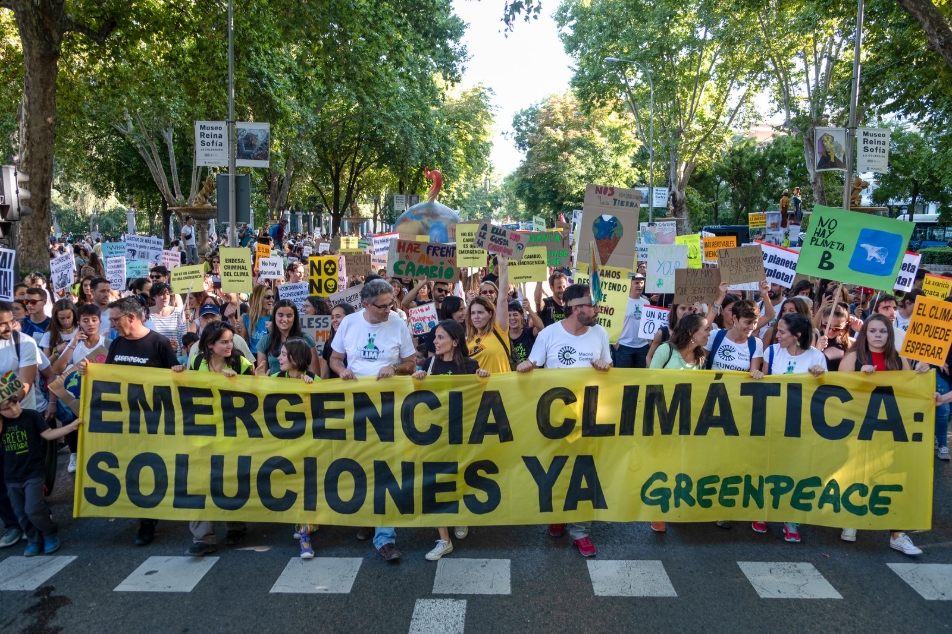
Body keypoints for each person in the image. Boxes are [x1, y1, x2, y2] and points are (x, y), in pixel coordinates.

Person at [517, 283, 612, 556]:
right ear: (576, 308)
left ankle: (581, 530)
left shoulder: (600, 334)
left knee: (585, 472)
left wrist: (606, 368)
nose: (595, 310)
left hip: (588, 419)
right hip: (554, 421)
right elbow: (533, 366)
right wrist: (525, 367)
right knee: (556, 470)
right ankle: (557, 513)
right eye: (590, 305)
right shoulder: (548, 335)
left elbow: (609, 368)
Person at [78, 297, 178, 546]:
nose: (111, 325)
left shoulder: (159, 343)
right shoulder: (117, 345)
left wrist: (178, 372)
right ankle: (140, 511)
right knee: (129, 467)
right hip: (124, 422)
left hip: (154, 422)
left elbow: (178, 383)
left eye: (114, 319)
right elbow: (110, 379)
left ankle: (148, 522)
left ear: (131, 318)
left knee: (149, 469)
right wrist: (90, 372)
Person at [329, 279, 416, 562]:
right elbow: (335, 358)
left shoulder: (398, 324)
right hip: (355, 407)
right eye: (382, 306)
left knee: (385, 470)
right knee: (358, 466)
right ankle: (366, 516)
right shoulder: (349, 324)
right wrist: (341, 370)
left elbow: (411, 363)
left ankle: (385, 538)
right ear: (366, 305)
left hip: (388, 409)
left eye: (391, 304)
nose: (388, 310)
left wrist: (393, 367)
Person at [836, 314, 928, 554]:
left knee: (893, 477)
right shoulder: (853, 358)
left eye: (883, 331)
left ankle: (897, 533)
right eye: (873, 331)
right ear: (865, 333)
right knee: (857, 473)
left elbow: (909, 392)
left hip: (892, 428)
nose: (878, 335)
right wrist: (858, 379)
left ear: (890, 334)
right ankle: (851, 519)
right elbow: (836, 393)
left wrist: (921, 376)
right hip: (859, 427)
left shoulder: (899, 359)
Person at [172, 321, 253, 556]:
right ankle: (203, 537)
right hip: (202, 432)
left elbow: (258, 391)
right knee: (198, 482)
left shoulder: (241, 362)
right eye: (224, 342)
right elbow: (189, 389)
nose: (230, 346)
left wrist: (238, 381)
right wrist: (181, 374)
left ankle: (235, 525)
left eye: (231, 341)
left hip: (232, 432)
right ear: (210, 345)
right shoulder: (197, 362)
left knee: (229, 480)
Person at [412, 320, 489, 561]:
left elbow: (479, 397)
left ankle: (460, 516)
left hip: (462, 432)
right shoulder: (429, 363)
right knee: (437, 481)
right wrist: (418, 379)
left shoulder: (470, 366)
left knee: (460, 477)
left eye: (441, 337)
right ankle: (444, 539)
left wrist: (483, 378)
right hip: (435, 433)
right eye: (435, 337)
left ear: (455, 341)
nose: (435, 341)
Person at [750, 313, 826, 543]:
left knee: (794, 469)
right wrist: (757, 375)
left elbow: (825, 393)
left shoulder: (818, 357)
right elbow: (765, 380)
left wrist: (820, 377)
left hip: (801, 424)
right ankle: (763, 511)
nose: (777, 334)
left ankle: (790, 518)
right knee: (768, 467)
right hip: (773, 421)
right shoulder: (772, 351)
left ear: (797, 336)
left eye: (782, 332)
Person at [0, 373, 83, 556]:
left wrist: (70, 427)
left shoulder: (31, 416)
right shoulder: (3, 424)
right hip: (11, 476)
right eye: (6, 408)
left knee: (33, 508)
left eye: (14, 403)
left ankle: (49, 533)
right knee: (20, 512)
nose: (13, 410)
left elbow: (48, 434)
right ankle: (33, 539)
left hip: (33, 473)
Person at [0, 301, 39, 549]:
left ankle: (35, 517)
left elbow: (24, 385)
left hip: (21, 416)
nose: (7, 327)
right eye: (1, 324)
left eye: (9, 321)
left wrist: (3, 407)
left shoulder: (24, 342)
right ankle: (13, 524)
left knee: (24, 472)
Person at [466, 256, 511, 374]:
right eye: (473, 313)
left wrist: (504, 267)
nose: (476, 316)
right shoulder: (467, 340)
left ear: (490, 314)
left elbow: (502, 299)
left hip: (502, 389)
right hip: (478, 391)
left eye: (480, 312)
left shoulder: (499, 329)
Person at [256, 300, 319, 375]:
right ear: (274, 316)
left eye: (289, 316)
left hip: (299, 386)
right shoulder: (265, 341)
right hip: (273, 386)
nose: (285, 319)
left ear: (294, 317)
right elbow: (262, 372)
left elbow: (315, 374)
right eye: (280, 315)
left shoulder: (306, 339)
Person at [615, 272, 651, 368]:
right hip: (624, 347)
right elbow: (613, 323)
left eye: (642, 283)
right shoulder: (621, 302)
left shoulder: (647, 303)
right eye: (636, 283)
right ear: (630, 284)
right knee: (623, 378)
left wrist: (649, 341)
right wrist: (616, 344)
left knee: (639, 378)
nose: (639, 286)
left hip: (642, 347)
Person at [321, 303, 356, 380]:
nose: (334, 320)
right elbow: (325, 374)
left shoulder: (359, 341)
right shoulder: (328, 344)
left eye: (338, 316)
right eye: (332, 317)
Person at [149, 283, 187, 352]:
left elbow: (183, 339)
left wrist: (183, 359)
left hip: (174, 357)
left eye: (167, 294)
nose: (165, 297)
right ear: (154, 296)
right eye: (161, 294)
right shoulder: (146, 313)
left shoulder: (178, 313)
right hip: (154, 357)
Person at [815, 305, 854, 371]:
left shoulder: (849, 342)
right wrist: (817, 349)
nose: (830, 331)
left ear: (845, 326)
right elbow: (807, 365)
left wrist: (860, 329)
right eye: (826, 325)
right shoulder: (814, 338)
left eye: (836, 328)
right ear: (822, 320)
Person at [243, 285, 275, 352]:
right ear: (257, 299)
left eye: (273, 297)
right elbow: (243, 343)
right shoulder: (245, 318)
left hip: (269, 357)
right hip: (253, 358)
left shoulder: (275, 317)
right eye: (268, 297)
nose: (272, 300)